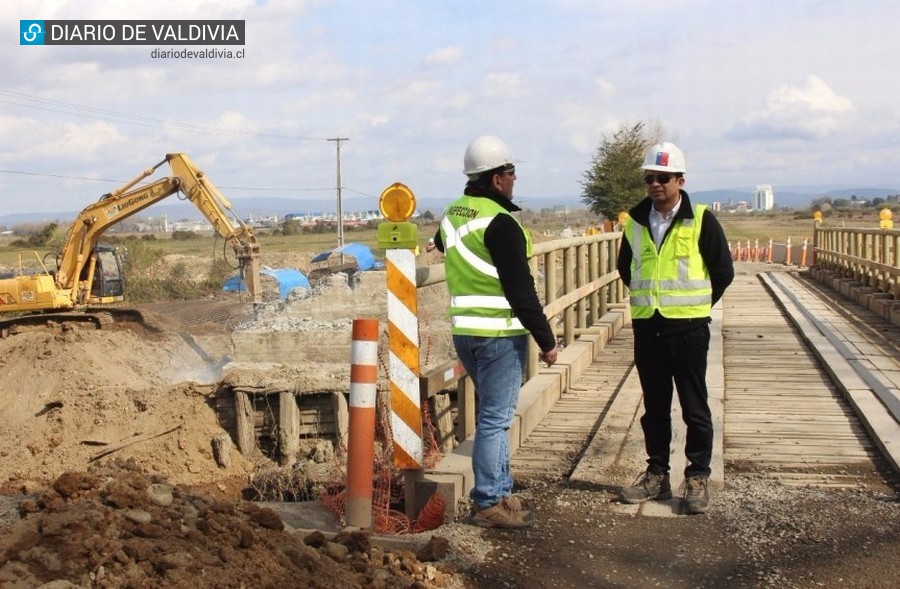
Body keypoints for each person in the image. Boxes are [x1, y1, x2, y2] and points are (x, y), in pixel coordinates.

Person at [431, 135, 558, 528]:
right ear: (497, 178)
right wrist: (548, 340)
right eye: (511, 171)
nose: (515, 178)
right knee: (495, 420)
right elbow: (522, 292)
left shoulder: (455, 212)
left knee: (494, 416)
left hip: (466, 332)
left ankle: (501, 493)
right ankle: (488, 502)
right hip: (499, 334)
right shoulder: (501, 223)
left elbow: (438, 243)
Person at [616, 141, 734, 514]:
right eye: (650, 178)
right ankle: (657, 475)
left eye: (663, 178)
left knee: (694, 406)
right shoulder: (635, 223)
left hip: (688, 329)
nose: (655, 184)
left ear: (680, 181)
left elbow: (722, 271)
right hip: (648, 327)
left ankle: (697, 476)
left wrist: (696, 308)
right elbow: (626, 269)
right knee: (654, 407)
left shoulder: (701, 219)